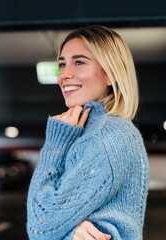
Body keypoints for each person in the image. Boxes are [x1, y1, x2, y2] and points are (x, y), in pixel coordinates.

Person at [27, 25, 149, 240]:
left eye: (79, 62)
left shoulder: (107, 134)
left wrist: (55, 145)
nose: (64, 74)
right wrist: (70, 233)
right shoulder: (99, 131)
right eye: (62, 64)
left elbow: (40, 228)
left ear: (111, 74)